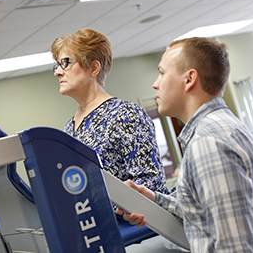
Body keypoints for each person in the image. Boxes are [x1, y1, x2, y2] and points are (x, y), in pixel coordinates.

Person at [118, 37, 253, 252]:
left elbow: (236, 247)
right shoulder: (226, 127)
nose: (155, 83)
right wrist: (155, 200)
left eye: (162, 73)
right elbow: (205, 210)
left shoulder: (208, 142)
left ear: (189, 79)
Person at [51, 27, 169, 194]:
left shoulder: (125, 114)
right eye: (57, 65)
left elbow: (151, 183)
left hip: (124, 219)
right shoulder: (69, 128)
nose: (57, 72)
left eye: (65, 63)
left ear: (93, 68)